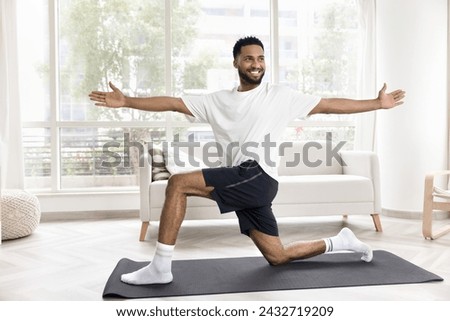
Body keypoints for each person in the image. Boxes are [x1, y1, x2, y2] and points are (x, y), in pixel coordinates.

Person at [89, 36, 405, 285]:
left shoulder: (279, 95)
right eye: (249, 58)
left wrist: (376, 104)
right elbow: (172, 102)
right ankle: (340, 242)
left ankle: (160, 267)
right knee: (277, 255)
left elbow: (329, 105)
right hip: (247, 182)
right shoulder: (215, 101)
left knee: (177, 183)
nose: (256, 64)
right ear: (236, 62)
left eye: (261, 58)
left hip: (258, 175)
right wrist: (127, 100)